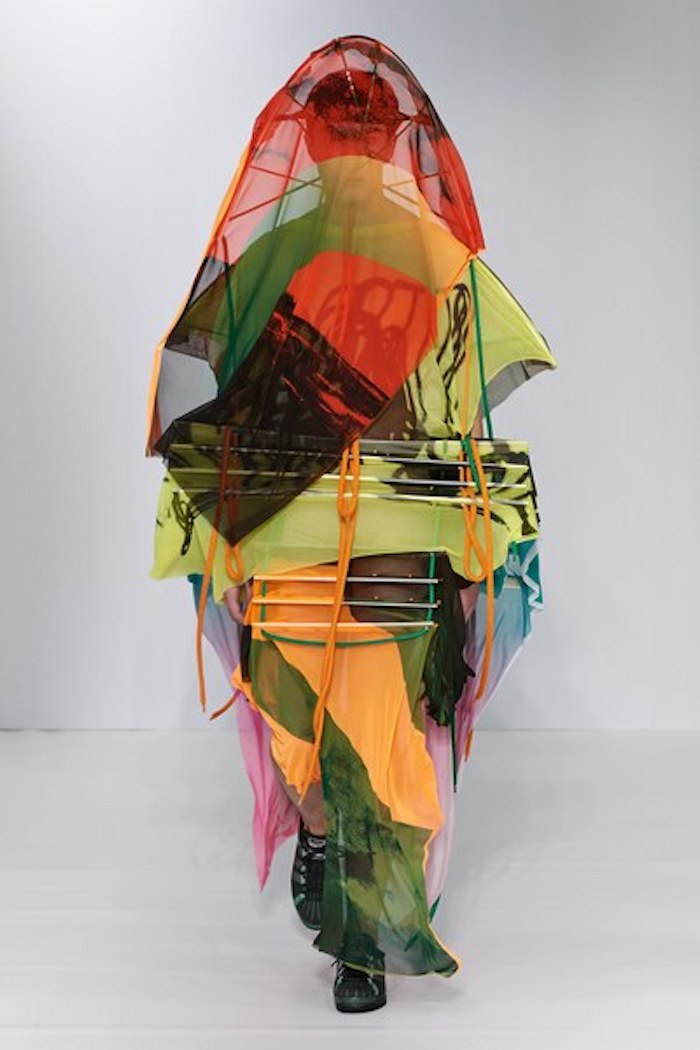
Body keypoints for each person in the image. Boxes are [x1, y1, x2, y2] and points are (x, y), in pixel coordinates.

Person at [146, 35, 556, 1013]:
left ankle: (361, 938)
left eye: (359, 133)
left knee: (362, 725)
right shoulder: (296, 260)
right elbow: (239, 404)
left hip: (377, 532)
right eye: (348, 133)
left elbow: (455, 412)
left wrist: (465, 543)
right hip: (311, 530)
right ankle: (331, 850)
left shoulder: (398, 264)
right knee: (316, 723)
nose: (353, 149)